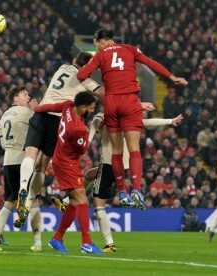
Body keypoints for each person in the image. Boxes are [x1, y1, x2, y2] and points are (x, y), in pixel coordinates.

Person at [77, 28, 187, 210]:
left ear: (102, 41)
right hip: (130, 101)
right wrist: (171, 77)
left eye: (96, 44)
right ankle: (136, 189)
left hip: (111, 102)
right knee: (134, 150)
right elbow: (151, 63)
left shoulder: (100, 55)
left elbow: (81, 75)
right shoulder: (129, 49)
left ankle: (122, 191)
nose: (96, 48)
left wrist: (97, 86)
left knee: (117, 152)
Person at [15, 52, 104, 226]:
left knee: (30, 156)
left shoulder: (62, 68)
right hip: (58, 120)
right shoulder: (86, 79)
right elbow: (100, 92)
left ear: (74, 61)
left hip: (41, 113)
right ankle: (28, 201)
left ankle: (23, 187)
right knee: (41, 165)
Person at [85, 112, 183, 252]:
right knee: (89, 174)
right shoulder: (127, 118)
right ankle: (67, 200)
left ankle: (109, 243)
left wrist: (88, 139)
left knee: (98, 205)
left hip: (108, 164)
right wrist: (169, 120)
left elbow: (95, 123)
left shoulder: (103, 116)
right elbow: (147, 122)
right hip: (123, 166)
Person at [34, 91, 103, 254]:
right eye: (91, 108)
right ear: (82, 107)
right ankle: (87, 243)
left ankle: (57, 239)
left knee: (73, 202)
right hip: (67, 164)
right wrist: (91, 131)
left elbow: (52, 107)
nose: (92, 111)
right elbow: (83, 149)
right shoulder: (79, 129)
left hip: (61, 158)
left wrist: (38, 108)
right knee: (82, 200)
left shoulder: (68, 106)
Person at [0, 87, 40, 252]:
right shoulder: (28, 113)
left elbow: (3, 144)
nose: (28, 96)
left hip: (8, 162)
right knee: (33, 200)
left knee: (9, 202)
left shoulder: (3, 115)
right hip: (24, 160)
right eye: (25, 94)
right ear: (15, 98)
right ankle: (37, 243)